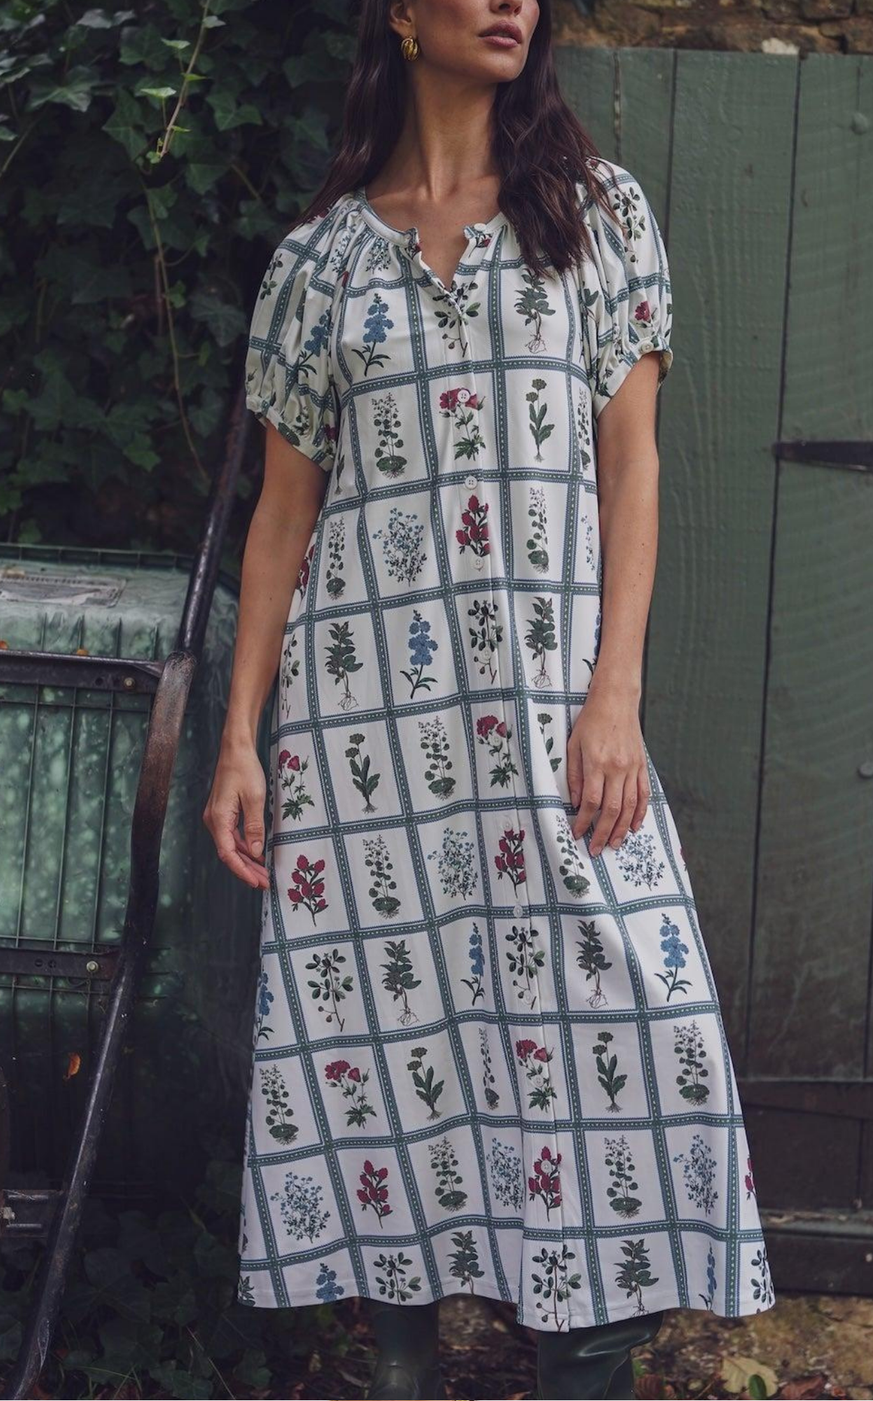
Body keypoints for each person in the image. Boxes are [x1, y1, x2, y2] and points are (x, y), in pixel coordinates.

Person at [203, 2, 776, 1397]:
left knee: (638, 1022)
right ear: (403, 15)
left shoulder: (593, 217)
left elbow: (631, 466)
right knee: (378, 1048)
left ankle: (586, 1359)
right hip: (363, 736)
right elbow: (282, 520)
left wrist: (614, 693)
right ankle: (404, 1367)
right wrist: (238, 740)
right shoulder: (321, 264)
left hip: (551, 717)